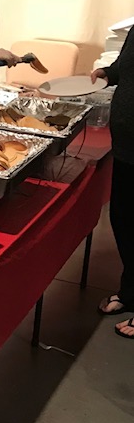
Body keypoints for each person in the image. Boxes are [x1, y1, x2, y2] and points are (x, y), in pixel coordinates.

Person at [93, 26, 134, 338]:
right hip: (126, 148)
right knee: (123, 219)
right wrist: (108, 72)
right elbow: (126, 67)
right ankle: (130, 291)